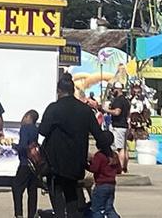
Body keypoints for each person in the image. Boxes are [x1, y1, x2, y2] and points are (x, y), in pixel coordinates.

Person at [40, 73, 101, 218]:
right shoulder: (85, 110)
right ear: (73, 90)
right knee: (71, 193)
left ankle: (60, 215)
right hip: (76, 161)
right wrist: (108, 153)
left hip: (55, 161)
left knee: (56, 192)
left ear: (59, 91)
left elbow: (43, 130)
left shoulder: (54, 108)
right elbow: (98, 134)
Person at [88, 130, 122, 218]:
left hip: (101, 185)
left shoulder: (99, 156)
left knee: (97, 209)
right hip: (111, 185)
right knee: (109, 208)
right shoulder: (114, 155)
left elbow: (94, 169)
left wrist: (86, 165)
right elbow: (119, 170)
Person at [12, 110, 40, 218]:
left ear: (28, 117)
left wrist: (15, 146)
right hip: (34, 164)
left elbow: (24, 145)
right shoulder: (35, 129)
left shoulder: (25, 128)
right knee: (32, 190)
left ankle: (19, 213)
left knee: (16, 187)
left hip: (25, 162)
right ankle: (32, 214)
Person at [103, 83, 130, 174]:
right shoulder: (126, 101)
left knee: (120, 148)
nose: (112, 91)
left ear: (117, 89)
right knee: (124, 147)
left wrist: (106, 110)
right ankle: (125, 166)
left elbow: (117, 112)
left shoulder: (118, 100)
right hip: (124, 126)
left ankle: (121, 167)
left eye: (113, 89)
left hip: (118, 126)